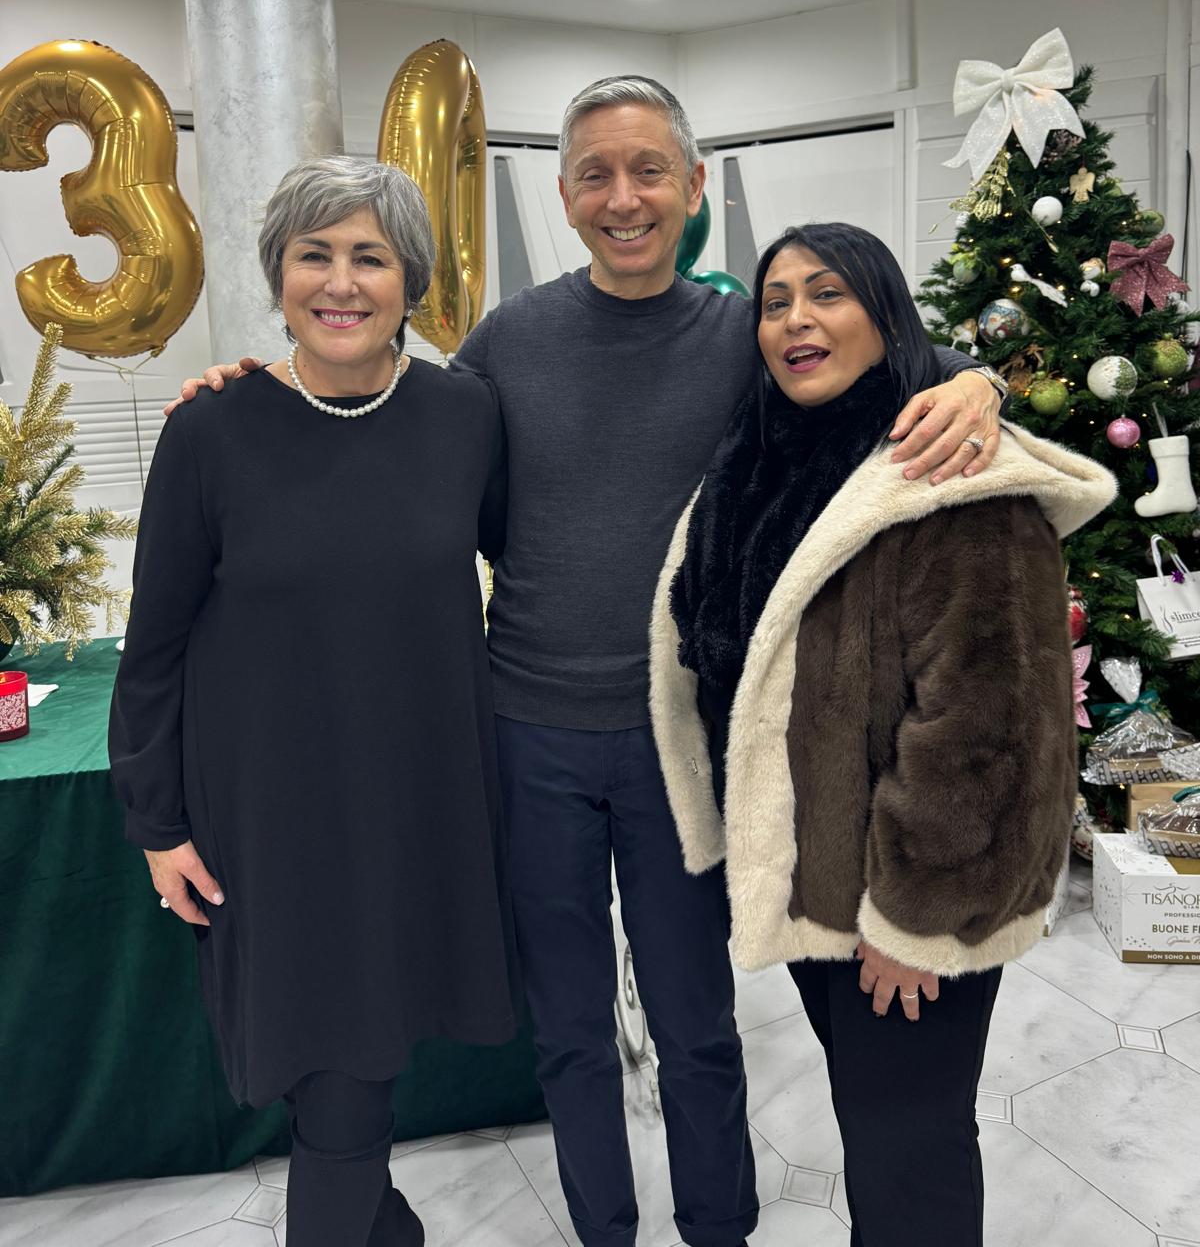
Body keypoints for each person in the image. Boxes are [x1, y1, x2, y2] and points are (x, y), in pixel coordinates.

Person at [174, 77, 1006, 1247]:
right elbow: (388, 427)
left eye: (648, 170)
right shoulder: (507, 344)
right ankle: (602, 1228)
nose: (624, 198)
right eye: (596, 175)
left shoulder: (743, 336)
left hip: (678, 741)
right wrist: (241, 393)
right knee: (568, 1029)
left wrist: (981, 379)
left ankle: (717, 1224)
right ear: (564, 195)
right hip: (526, 738)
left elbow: (884, 359)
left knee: (696, 1022)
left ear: (692, 186)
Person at [651, 222, 1116, 1247]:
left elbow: (990, 731)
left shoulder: (954, 472)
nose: (797, 320)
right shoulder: (764, 456)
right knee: (883, 1124)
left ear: (888, 315)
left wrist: (918, 919)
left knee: (909, 1150)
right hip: (825, 880)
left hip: (910, 894)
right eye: (776, 301)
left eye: (828, 293)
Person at [111, 156, 518, 1247]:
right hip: (268, 816)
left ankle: (380, 1227)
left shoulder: (465, 416)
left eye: (370, 257)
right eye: (314, 255)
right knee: (327, 1068)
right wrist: (156, 825)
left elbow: (535, 562)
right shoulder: (210, 430)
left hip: (415, 797)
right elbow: (152, 649)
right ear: (278, 276)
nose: (341, 283)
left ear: (410, 280)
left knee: (350, 1071)